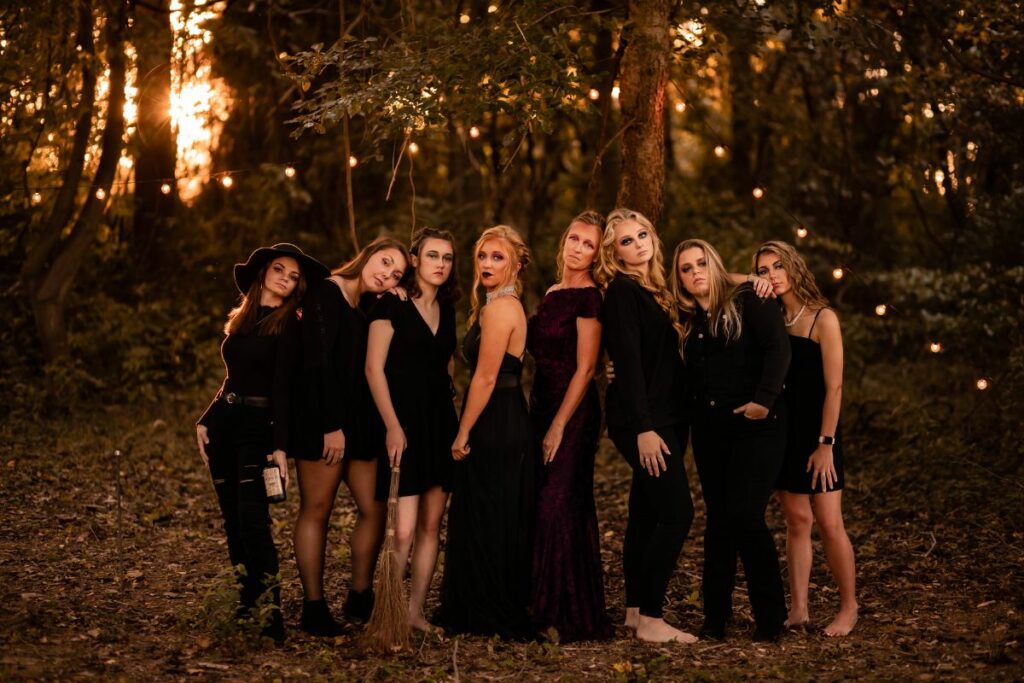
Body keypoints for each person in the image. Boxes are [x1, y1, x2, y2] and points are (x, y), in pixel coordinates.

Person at [196, 243, 329, 644]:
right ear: (263, 273)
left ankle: (271, 616)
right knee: (234, 520)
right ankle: (247, 602)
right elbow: (233, 378)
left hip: (259, 430)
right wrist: (207, 418)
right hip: (225, 427)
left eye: (293, 276)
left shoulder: (291, 325)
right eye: (279, 270)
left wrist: (279, 446)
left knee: (254, 521)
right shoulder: (244, 319)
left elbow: (282, 389)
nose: (286, 279)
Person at [289, 236, 409, 636]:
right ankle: (314, 606)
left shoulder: (364, 305)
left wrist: (398, 291)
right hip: (325, 422)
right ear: (369, 253)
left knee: (372, 509)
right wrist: (330, 425)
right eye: (385, 261)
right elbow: (316, 362)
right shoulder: (327, 292)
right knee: (317, 509)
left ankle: (360, 595)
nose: (386, 273)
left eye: (395, 273)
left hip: (362, 424)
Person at [673, 238, 791, 642]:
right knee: (719, 521)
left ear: (715, 263)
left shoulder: (748, 300)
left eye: (701, 263)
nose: (695, 272)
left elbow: (779, 348)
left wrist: (763, 400)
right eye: (686, 268)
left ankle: (771, 619)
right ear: (680, 279)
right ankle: (715, 618)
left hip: (758, 427)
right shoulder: (686, 320)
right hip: (710, 432)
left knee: (745, 516)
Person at [597, 208, 697, 644]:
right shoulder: (622, 291)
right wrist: (643, 426)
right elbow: (630, 361)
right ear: (614, 253)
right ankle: (653, 616)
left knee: (646, 512)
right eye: (626, 240)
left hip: (669, 417)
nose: (638, 243)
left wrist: (755, 280)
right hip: (645, 421)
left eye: (642, 235)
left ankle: (635, 611)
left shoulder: (661, 290)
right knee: (678, 513)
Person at [753, 240, 857, 637]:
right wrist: (752, 283)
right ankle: (799, 608)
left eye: (778, 266)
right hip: (783, 432)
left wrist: (826, 444)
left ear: (794, 266)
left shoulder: (822, 318)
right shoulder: (770, 317)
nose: (771, 276)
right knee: (797, 520)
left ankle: (849, 607)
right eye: (762, 271)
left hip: (821, 434)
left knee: (830, 522)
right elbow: (721, 281)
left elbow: (835, 388)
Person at [437, 225, 535, 639]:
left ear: (516, 263)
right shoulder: (495, 304)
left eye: (498, 257)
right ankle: (479, 599)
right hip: (501, 415)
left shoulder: (501, 309)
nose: (488, 264)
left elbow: (486, 378)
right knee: (488, 509)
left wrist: (462, 432)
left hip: (496, 419)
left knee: (489, 510)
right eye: (482, 256)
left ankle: (487, 604)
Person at [365, 227, 461, 632]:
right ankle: (385, 612)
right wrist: (391, 426)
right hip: (402, 424)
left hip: (440, 424)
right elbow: (373, 369)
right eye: (433, 256)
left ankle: (414, 612)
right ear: (416, 260)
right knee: (401, 529)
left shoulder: (450, 309)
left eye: (447, 258)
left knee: (429, 526)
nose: (440, 264)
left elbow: (446, 364)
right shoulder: (391, 305)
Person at [528, 211, 613, 642]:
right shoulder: (552, 291)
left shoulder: (589, 297)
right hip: (540, 404)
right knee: (545, 501)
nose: (578, 248)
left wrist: (559, 425)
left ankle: (560, 613)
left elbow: (586, 368)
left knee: (557, 503)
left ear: (597, 255)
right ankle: (544, 606)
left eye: (589, 245)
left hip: (573, 412)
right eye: (574, 239)